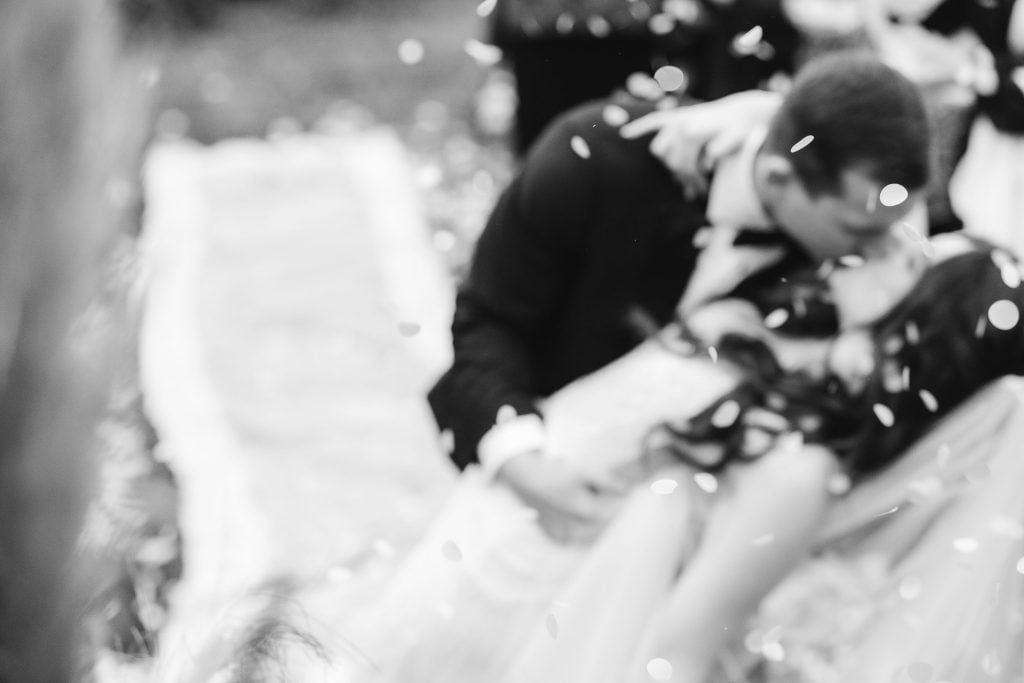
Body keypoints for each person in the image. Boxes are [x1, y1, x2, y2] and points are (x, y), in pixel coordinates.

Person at [428, 50, 931, 549]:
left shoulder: (848, 259)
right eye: (856, 230)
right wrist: (521, 461)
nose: (877, 248)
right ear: (778, 179)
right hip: (534, 488)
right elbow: (487, 322)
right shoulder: (593, 158)